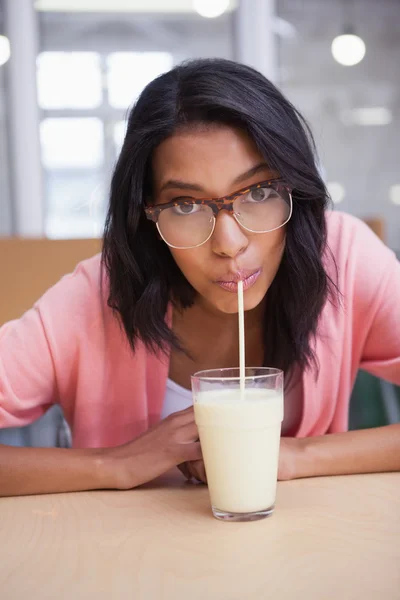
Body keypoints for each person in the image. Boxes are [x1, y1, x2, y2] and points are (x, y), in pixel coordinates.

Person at [0, 58, 399, 497]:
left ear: (296, 191)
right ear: (146, 214)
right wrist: (116, 463)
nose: (229, 243)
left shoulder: (343, 258)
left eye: (260, 192)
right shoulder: (93, 300)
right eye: (186, 205)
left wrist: (295, 456)